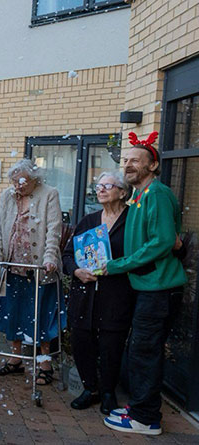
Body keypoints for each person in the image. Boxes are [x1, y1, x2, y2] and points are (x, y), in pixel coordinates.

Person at [101, 132, 187, 436]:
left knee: (145, 353)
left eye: (135, 161)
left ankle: (146, 418)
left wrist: (117, 265)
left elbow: (162, 241)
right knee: (140, 351)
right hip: (146, 288)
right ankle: (140, 407)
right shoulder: (138, 196)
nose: (128, 165)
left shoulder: (157, 194)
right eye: (126, 160)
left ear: (152, 166)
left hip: (159, 289)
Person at [62, 171, 133, 414]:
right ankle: (89, 388)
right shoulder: (89, 220)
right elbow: (68, 255)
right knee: (82, 341)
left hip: (116, 294)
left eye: (108, 186)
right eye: (99, 186)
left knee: (111, 344)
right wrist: (76, 271)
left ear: (122, 192)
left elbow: (139, 256)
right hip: (85, 294)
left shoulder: (132, 220)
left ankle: (108, 392)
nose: (100, 190)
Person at [0, 159, 64, 387]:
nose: (18, 186)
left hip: (39, 268)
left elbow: (54, 229)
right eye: (14, 182)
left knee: (41, 315)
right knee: (13, 313)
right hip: (12, 266)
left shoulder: (49, 194)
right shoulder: (7, 195)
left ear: (34, 179)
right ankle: (15, 359)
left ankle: (45, 363)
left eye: (22, 182)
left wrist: (49, 257)